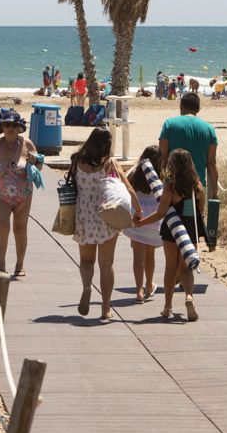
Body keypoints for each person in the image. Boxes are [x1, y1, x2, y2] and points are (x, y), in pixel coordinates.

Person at [71, 128, 142, 320]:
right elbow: (128, 187)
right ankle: (105, 309)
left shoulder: (77, 160)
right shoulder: (109, 163)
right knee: (106, 263)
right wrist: (138, 210)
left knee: (86, 261)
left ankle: (87, 286)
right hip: (106, 214)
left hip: (83, 214)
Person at [132, 149, 204, 321]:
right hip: (190, 229)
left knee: (171, 267)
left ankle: (167, 307)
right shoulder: (197, 185)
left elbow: (161, 212)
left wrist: (140, 223)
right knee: (186, 267)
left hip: (172, 229)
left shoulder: (171, 185)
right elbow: (200, 211)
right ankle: (189, 297)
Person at [0, 112, 41, 276]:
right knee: (2, 227)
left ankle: (20, 265)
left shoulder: (27, 144)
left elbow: (39, 167)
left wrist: (34, 160)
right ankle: (1, 264)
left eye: (13, 125)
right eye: (7, 125)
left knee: (20, 229)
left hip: (23, 195)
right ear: (2, 126)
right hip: (0, 194)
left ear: (19, 127)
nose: (10, 128)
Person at [123, 145, 163, 303]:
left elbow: (126, 188)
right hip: (154, 218)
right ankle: (148, 284)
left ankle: (138, 290)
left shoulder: (135, 172)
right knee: (150, 254)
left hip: (137, 217)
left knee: (137, 256)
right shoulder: (162, 174)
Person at [159, 92, 218, 196]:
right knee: (197, 213)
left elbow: (162, 158)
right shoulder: (209, 129)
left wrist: (160, 185)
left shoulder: (169, 124)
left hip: (173, 187)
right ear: (198, 109)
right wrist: (215, 191)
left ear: (181, 106)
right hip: (198, 187)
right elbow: (211, 164)